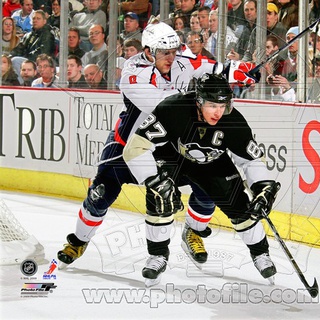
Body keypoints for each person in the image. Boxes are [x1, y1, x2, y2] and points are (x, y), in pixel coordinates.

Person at [57, 22, 257, 268]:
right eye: (165, 53)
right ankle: (78, 241)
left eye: (174, 51)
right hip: (130, 145)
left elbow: (212, 67)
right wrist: (206, 95)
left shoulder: (181, 62)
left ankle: (194, 231)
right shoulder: (133, 73)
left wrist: (237, 70)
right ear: (149, 51)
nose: (171, 58)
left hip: (171, 148)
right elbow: (166, 106)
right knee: (100, 194)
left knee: (210, 182)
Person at [122, 73, 280, 286]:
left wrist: (261, 187)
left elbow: (251, 159)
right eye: (212, 105)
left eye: (223, 105)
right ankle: (157, 255)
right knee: (161, 195)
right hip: (173, 157)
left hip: (213, 163)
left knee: (240, 205)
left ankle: (260, 254)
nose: (218, 112)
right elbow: (134, 148)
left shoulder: (233, 120)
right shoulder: (173, 108)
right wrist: (153, 181)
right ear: (198, 101)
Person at [10, 9, 55, 83]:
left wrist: (27, 58)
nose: (35, 20)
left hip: (40, 63)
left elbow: (43, 52)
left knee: (16, 61)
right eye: (34, 18)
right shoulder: (28, 35)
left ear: (44, 21)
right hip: (28, 59)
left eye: (38, 18)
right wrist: (9, 57)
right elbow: (19, 48)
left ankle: (22, 85)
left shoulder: (48, 35)